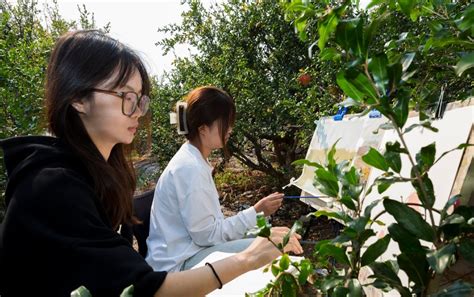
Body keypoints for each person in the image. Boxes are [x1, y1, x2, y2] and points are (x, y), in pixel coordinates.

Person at [0, 30, 302, 297]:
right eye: (126, 97)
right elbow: (145, 286)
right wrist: (248, 252)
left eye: (141, 100)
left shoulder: (99, 174)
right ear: (79, 98)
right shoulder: (51, 188)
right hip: (180, 262)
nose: (138, 112)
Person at [146, 86, 285, 273]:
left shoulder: (193, 159)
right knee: (270, 247)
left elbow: (208, 230)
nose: (230, 129)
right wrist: (256, 212)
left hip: (187, 253)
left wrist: (255, 216)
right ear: (203, 128)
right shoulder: (190, 169)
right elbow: (207, 235)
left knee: (268, 240)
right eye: (225, 123)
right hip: (180, 265)